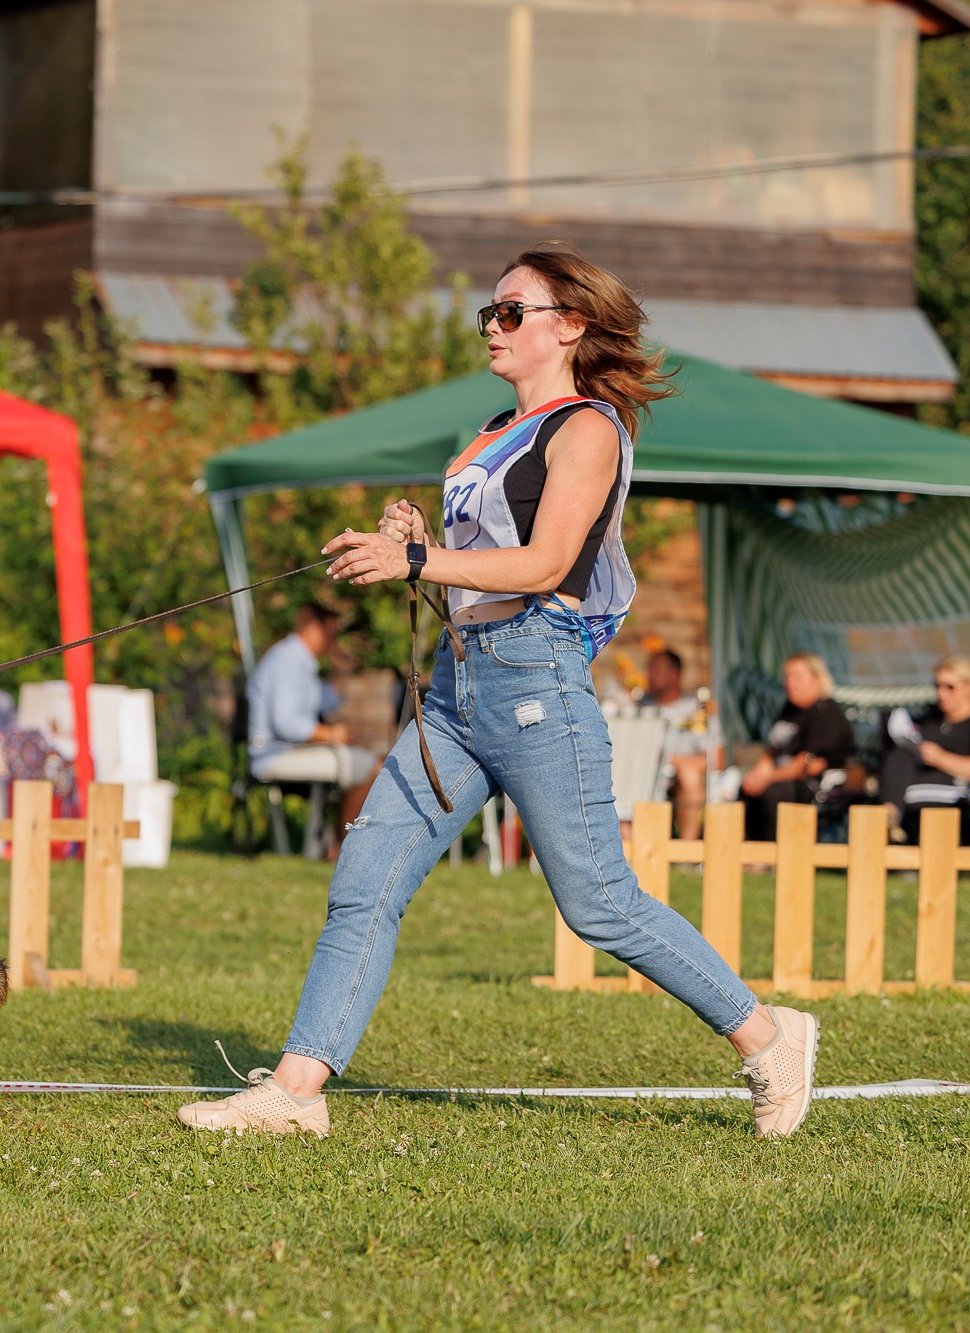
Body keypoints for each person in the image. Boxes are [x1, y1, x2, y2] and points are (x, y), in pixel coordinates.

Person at [178, 242, 817, 1141]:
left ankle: (770, 1035)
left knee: (597, 902)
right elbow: (474, 563)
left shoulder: (589, 427)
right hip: (456, 686)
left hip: (535, 679)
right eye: (491, 311)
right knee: (366, 877)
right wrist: (417, 536)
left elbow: (547, 563)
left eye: (512, 312)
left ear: (570, 327)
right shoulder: (487, 431)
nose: (494, 326)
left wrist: (417, 556)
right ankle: (295, 1089)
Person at [247, 602, 382, 837]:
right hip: (274, 756)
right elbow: (287, 724)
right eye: (331, 634)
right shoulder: (287, 661)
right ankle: (345, 846)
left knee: (364, 759)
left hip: (289, 751)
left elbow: (329, 700)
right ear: (312, 629)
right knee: (372, 767)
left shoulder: (301, 662)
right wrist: (331, 735)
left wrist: (339, 667)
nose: (333, 642)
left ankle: (333, 843)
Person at [877, 655, 970, 845]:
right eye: (938, 686)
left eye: (950, 687)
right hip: (915, 782)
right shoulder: (932, 720)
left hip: (960, 789)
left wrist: (940, 758)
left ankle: (891, 821)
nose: (942, 693)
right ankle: (889, 817)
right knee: (899, 755)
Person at [739, 653, 853, 843]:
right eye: (787, 676)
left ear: (817, 680)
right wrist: (758, 774)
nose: (790, 683)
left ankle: (773, 852)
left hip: (811, 783)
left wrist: (768, 778)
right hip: (779, 775)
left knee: (773, 792)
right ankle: (748, 850)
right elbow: (773, 750)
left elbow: (808, 762)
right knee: (746, 788)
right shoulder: (790, 710)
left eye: (797, 676)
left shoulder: (825, 713)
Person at [639, 648, 718, 839]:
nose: (649, 675)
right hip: (644, 774)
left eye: (656, 670)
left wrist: (672, 761)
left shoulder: (698, 708)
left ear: (675, 674)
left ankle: (686, 851)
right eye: (649, 669)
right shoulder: (638, 708)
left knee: (689, 775)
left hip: (680, 778)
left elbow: (716, 759)